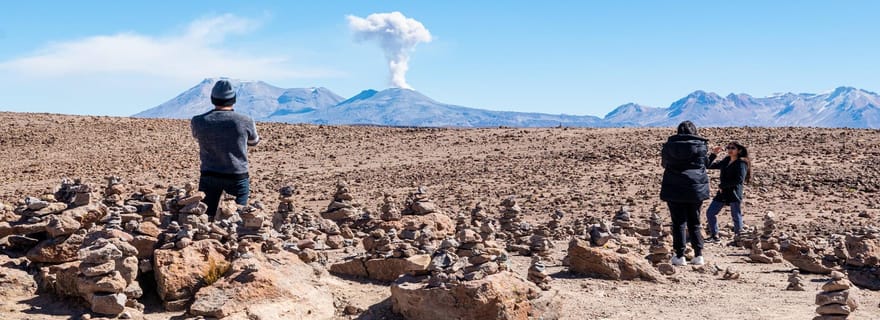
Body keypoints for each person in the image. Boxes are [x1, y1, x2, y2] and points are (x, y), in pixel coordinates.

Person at [191, 79, 260, 219]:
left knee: (206, 217)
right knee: (238, 217)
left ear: (212, 99)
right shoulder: (245, 120)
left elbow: (197, 137)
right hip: (236, 175)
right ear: (233, 99)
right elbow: (254, 141)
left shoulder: (198, 121)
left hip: (209, 174)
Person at [660, 121, 710, 266]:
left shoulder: (669, 146)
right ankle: (698, 254)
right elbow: (704, 164)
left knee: (678, 223)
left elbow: (664, 164)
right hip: (695, 188)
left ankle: (679, 255)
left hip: (674, 187)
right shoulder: (701, 145)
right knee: (695, 222)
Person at [704, 142, 751, 242]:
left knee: (736, 216)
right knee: (710, 213)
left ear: (739, 150)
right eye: (728, 147)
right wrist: (714, 154)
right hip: (723, 193)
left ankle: (739, 239)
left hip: (734, 193)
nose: (730, 149)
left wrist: (722, 185)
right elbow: (708, 165)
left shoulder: (741, 163)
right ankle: (714, 236)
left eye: (733, 148)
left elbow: (739, 180)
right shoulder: (726, 160)